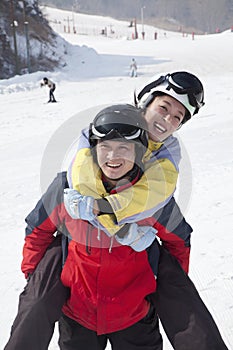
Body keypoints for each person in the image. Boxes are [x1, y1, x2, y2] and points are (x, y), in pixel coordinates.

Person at [4, 74, 228, 349]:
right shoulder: (69, 187)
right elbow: (37, 230)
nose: (114, 157)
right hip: (79, 314)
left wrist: (158, 284)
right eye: (164, 107)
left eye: (177, 117)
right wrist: (36, 279)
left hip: (133, 315)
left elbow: (179, 242)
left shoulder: (157, 199)